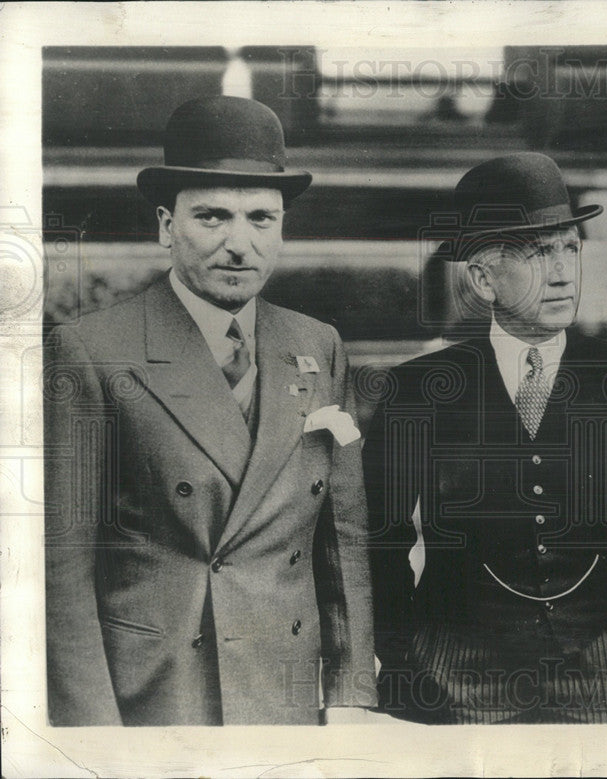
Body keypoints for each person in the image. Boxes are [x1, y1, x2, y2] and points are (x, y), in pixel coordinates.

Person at [44, 96, 375, 725]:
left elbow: (343, 540)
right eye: (212, 217)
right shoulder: (93, 352)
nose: (239, 244)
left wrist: (352, 691)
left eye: (261, 218)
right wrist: (95, 739)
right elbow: (62, 573)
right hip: (158, 695)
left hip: (285, 695)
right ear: (166, 226)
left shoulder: (316, 344)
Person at [363, 152, 607, 723]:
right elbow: (379, 540)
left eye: (571, 247)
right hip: (459, 684)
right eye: (535, 252)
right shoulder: (419, 389)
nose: (562, 272)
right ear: (483, 278)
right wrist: (405, 652)